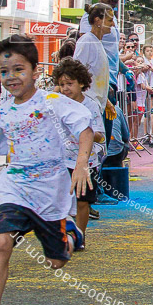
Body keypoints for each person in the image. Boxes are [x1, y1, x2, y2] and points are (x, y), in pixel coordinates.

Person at [0, 35, 93, 305]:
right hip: (15, 187)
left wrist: (83, 164)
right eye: (4, 71)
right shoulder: (1, 113)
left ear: (35, 71)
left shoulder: (53, 102)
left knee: (56, 261)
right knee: (1, 242)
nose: (10, 77)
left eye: (18, 69)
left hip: (51, 193)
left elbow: (85, 132)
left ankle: (71, 233)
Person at [51, 58, 105, 243]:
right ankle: (64, 235)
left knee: (83, 200)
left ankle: (80, 235)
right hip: (63, 159)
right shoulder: (57, 104)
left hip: (86, 160)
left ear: (81, 83)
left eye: (70, 84)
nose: (65, 88)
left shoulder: (90, 105)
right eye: (62, 84)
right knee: (61, 200)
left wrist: (86, 132)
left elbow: (100, 134)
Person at [74, 3, 114, 113]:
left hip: (96, 106)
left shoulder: (97, 42)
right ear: (98, 21)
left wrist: (106, 101)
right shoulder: (86, 41)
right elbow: (76, 73)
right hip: (87, 107)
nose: (113, 24)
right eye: (110, 20)